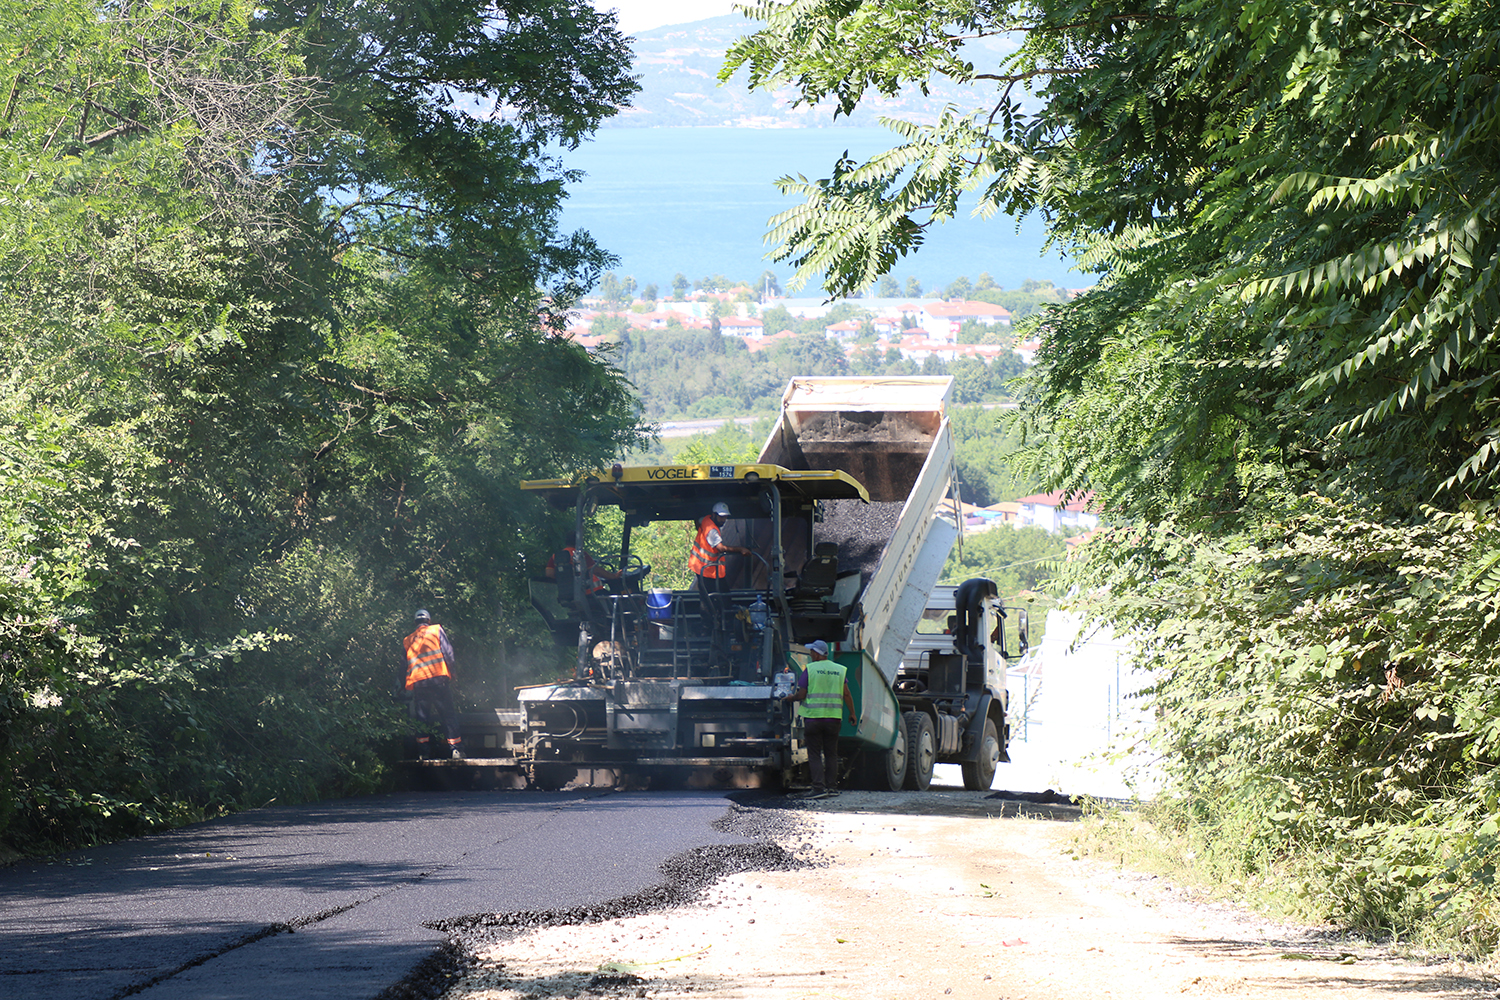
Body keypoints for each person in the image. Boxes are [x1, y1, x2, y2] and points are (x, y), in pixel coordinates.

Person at [788, 639, 858, 798]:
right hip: (833, 719)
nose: (811, 654)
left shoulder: (810, 669)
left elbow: (802, 694)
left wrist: (791, 698)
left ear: (818, 653)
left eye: (812, 651)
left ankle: (818, 788)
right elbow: (846, 693)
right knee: (831, 753)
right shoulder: (839, 670)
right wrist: (852, 713)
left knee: (814, 754)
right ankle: (832, 787)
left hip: (813, 719)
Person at [402, 609, 463, 759]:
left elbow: (404, 665)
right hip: (438, 681)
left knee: (422, 719)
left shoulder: (408, 640)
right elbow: (448, 652)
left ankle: (424, 753)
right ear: (428, 621)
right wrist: (453, 672)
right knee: (448, 715)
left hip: (419, 684)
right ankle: (455, 750)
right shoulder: (436, 630)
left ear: (415, 623)